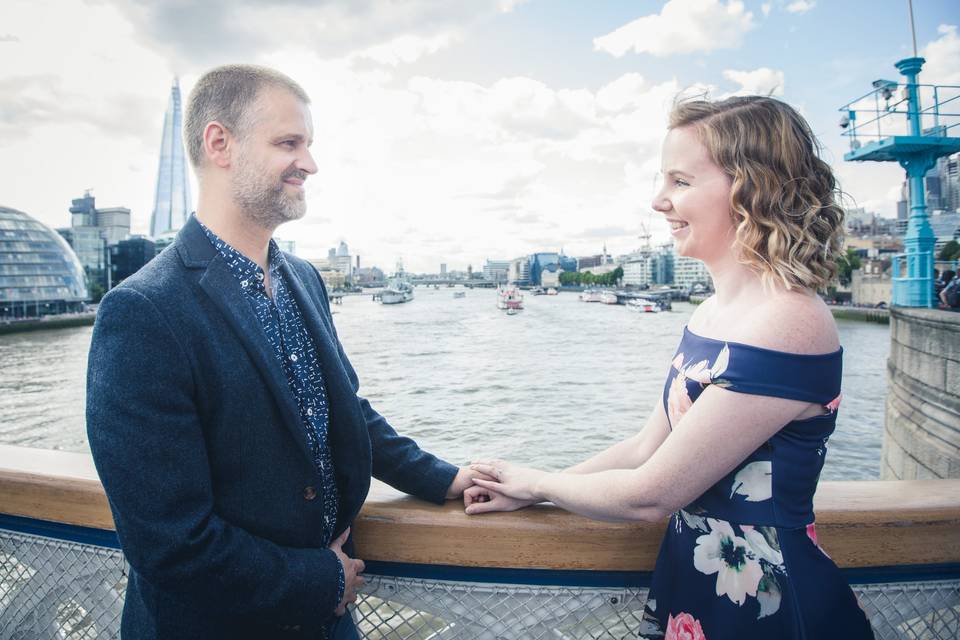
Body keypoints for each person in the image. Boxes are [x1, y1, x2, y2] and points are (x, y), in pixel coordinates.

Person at [86, 64, 485, 640]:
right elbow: (166, 539)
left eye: (309, 144)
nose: (310, 163)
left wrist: (444, 479)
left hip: (328, 618)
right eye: (288, 143)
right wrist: (316, 580)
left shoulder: (303, 277)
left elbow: (345, 411)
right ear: (220, 143)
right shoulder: (143, 312)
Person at [464, 96, 876, 639]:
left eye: (680, 181)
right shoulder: (714, 312)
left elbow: (649, 493)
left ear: (752, 188)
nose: (659, 201)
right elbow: (644, 449)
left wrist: (532, 477)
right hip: (702, 579)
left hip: (769, 603)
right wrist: (536, 491)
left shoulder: (790, 320)